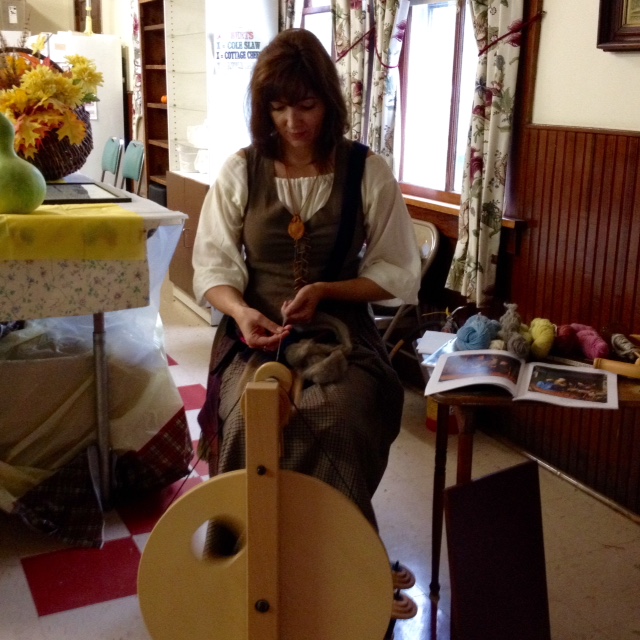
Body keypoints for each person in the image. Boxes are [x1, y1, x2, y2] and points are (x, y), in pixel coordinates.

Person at [193, 28, 421, 528]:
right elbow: (213, 267)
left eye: (306, 105)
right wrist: (240, 310)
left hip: (342, 335)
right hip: (252, 336)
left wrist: (326, 291)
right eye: (278, 107)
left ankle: (339, 560)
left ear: (329, 101)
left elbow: (396, 271)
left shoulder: (367, 170)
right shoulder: (241, 171)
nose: (292, 121)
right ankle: (246, 563)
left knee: (335, 419)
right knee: (248, 422)